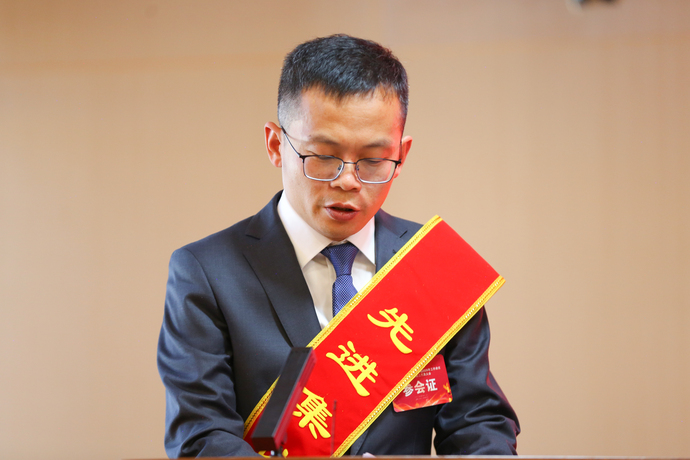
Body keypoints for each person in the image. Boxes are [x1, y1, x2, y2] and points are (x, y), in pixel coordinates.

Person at [157, 34, 519, 457]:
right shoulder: (207, 272)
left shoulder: (433, 266)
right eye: (324, 156)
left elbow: (478, 422)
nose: (348, 180)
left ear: (401, 155)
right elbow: (203, 436)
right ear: (276, 145)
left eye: (373, 160)